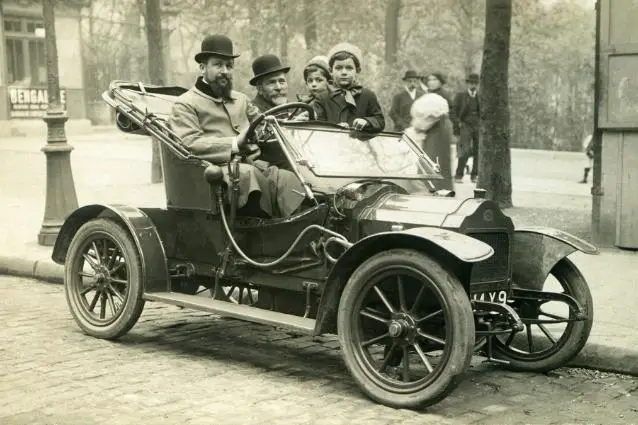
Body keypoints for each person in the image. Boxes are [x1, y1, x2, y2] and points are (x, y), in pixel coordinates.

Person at [168, 34, 305, 219]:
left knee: (291, 179)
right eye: (218, 65)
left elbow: (264, 127)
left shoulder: (241, 99)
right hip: (214, 173)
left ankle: (298, 230)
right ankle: (262, 232)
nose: (225, 71)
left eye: (229, 66)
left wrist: (294, 123)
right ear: (202, 68)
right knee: (249, 176)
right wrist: (234, 143)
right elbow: (189, 143)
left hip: (250, 167)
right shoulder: (185, 104)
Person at [311, 42, 385, 132]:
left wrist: (366, 121)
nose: (344, 72)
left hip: (360, 144)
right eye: (338, 68)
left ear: (357, 71)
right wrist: (333, 128)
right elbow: (317, 126)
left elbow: (380, 121)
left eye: (349, 68)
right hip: (331, 144)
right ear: (331, 71)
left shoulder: (367, 95)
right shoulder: (322, 98)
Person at [405, 93, 455, 191]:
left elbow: (421, 125)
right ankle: (438, 189)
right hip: (435, 131)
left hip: (437, 134)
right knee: (435, 165)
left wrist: (417, 128)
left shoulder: (438, 118)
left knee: (434, 163)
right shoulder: (433, 103)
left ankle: (434, 190)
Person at [451, 73, 480, 184]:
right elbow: (452, 112)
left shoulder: (480, 96)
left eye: (475, 83)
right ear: (467, 84)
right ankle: (459, 175)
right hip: (465, 126)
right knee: (464, 150)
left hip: (477, 126)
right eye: (471, 83)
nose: (473, 85)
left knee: (478, 151)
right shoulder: (460, 96)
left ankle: (475, 175)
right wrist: (458, 123)